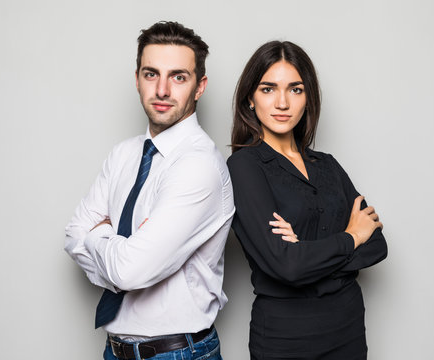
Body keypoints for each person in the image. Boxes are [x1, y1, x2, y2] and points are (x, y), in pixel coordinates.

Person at [64, 21, 234, 360]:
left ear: (199, 87)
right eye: (151, 74)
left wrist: (100, 237)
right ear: (137, 78)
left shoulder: (199, 167)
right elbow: (72, 236)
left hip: (177, 353)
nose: (162, 90)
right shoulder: (124, 154)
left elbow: (130, 270)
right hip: (115, 350)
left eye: (178, 77)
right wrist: (122, 253)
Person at [227, 41, 388, 359]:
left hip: (348, 326)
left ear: (308, 98)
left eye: (295, 89)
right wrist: (351, 236)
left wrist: (304, 253)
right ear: (250, 98)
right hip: (287, 337)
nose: (282, 102)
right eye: (268, 89)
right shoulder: (244, 166)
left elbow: (377, 244)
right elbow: (286, 266)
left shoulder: (327, 164)